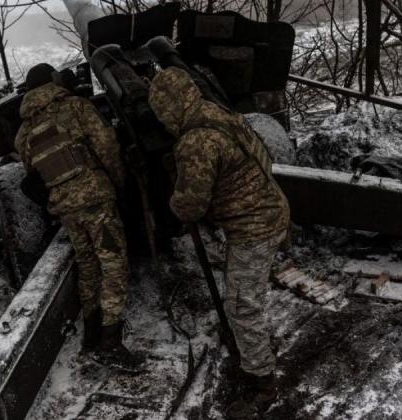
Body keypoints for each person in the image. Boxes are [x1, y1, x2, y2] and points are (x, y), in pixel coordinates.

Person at [148, 67, 291, 418]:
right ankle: (253, 357)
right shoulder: (214, 111)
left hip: (254, 227)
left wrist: (173, 188)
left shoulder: (195, 142)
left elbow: (189, 207)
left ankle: (262, 383)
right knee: (243, 296)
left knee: (242, 306)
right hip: (271, 208)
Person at [15, 63, 142, 370]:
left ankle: (91, 334)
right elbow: (107, 146)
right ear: (52, 81)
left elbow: (32, 173)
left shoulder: (24, 131)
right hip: (95, 198)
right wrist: (120, 183)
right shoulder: (76, 107)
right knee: (113, 264)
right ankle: (110, 343)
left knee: (88, 266)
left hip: (65, 207)